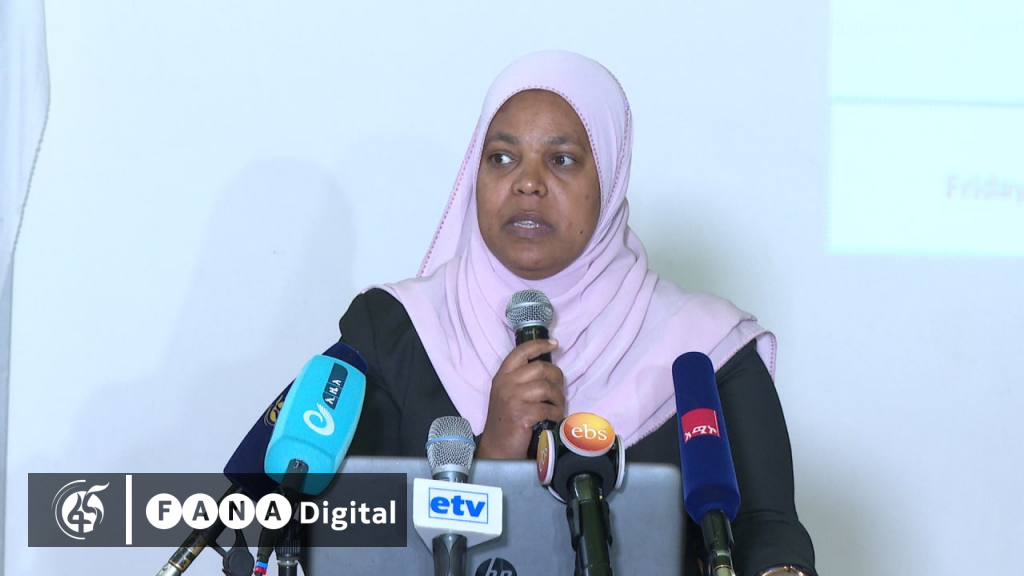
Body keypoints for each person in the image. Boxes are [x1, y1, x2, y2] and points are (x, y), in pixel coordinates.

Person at [340, 50, 816, 576]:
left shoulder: (705, 349)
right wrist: (491, 454)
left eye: (562, 160)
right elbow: (347, 529)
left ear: (609, 179)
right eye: (501, 158)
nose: (528, 182)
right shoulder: (394, 328)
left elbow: (766, 529)